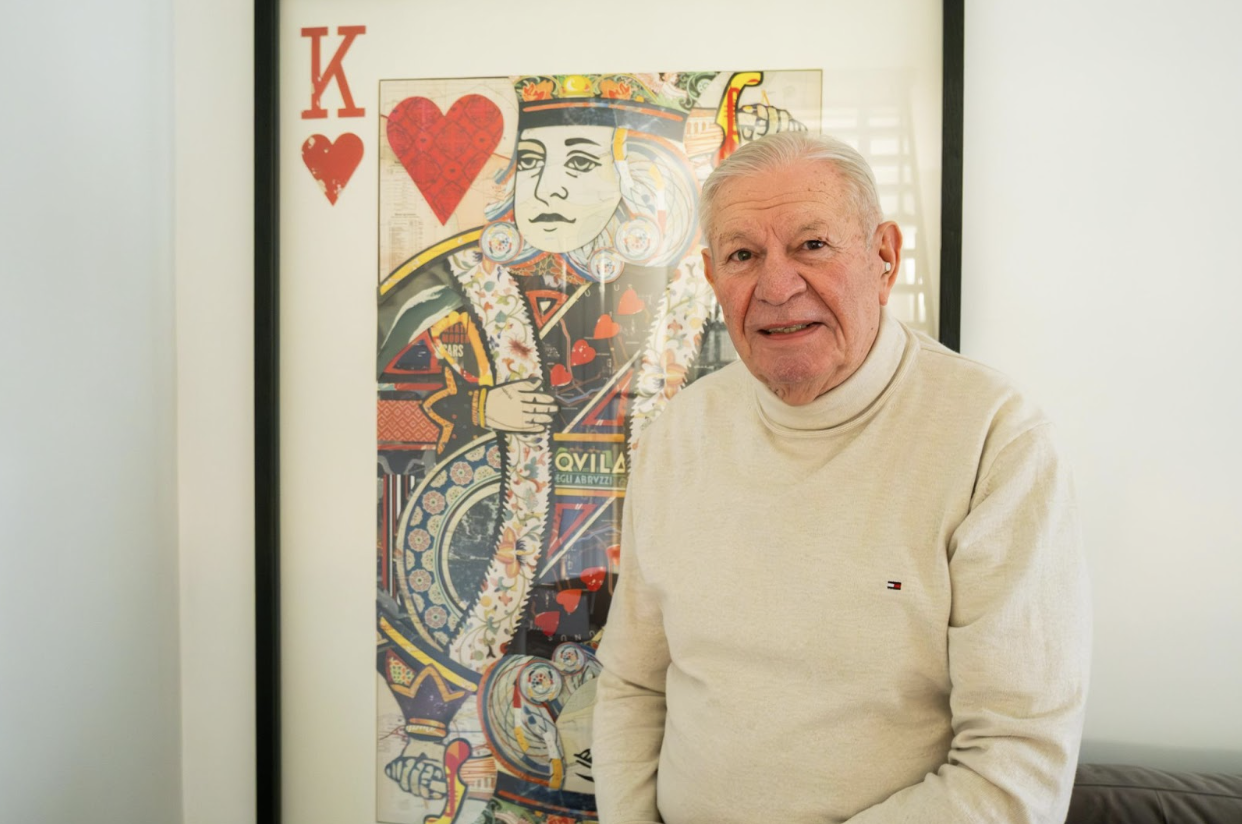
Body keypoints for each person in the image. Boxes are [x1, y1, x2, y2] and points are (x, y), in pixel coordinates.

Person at [592, 131, 1092, 824]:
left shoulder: (994, 439)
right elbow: (633, 685)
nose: (777, 287)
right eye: (743, 255)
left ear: (884, 257)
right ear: (712, 277)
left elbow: (1016, 769)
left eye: (812, 245)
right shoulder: (677, 434)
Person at [375, 72, 809, 824]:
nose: (547, 187)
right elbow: (372, 420)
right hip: (492, 582)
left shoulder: (712, 298)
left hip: (666, 598)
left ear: (642, 178)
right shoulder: (452, 287)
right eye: (532, 162)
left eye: (579, 163)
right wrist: (479, 409)